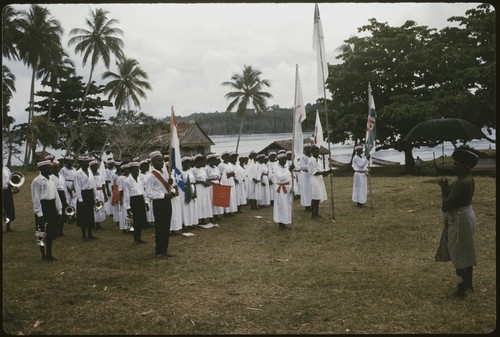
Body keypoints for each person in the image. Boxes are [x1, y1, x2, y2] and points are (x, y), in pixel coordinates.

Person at [436, 148, 479, 299]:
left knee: (459, 254)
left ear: (464, 166)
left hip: (460, 220)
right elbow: (454, 197)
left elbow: (446, 206)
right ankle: (468, 285)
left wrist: (442, 188)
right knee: (466, 251)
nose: (453, 166)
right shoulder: (465, 178)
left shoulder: (462, 183)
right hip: (465, 216)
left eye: (456, 164)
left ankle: (461, 290)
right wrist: (447, 186)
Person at [146, 151, 176, 258]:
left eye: (162, 160)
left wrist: (171, 186)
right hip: (159, 202)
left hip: (167, 201)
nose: (161, 162)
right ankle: (159, 251)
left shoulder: (165, 173)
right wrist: (163, 195)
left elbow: (167, 188)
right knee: (160, 226)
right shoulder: (151, 176)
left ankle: (165, 249)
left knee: (166, 225)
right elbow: (149, 193)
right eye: (158, 160)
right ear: (152, 163)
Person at [31, 160, 63, 261]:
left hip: (52, 206)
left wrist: (59, 210)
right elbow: (35, 198)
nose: (51, 170)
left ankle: (49, 254)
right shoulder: (37, 181)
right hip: (43, 207)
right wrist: (39, 214)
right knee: (41, 232)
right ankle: (43, 255)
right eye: (48, 168)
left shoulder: (52, 180)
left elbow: (56, 195)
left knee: (50, 231)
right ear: (41, 169)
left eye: (51, 167)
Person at [123, 161, 148, 244]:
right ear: (130, 171)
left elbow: (143, 191)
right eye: (134, 171)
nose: (137, 172)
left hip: (140, 200)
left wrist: (146, 202)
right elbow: (126, 195)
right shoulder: (127, 181)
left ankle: (139, 237)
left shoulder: (140, 179)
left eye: (137, 170)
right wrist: (127, 207)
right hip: (133, 201)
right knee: (135, 221)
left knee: (140, 221)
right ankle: (135, 238)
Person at [74, 155, 97, 240]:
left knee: (90, 214)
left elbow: (93, 184)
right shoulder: (78, 174)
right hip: (83, 195)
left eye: (88, 162)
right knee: (83, 216)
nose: (87, 163)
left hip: (90, 194)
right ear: (80, 163)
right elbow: (77, 188)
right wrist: (80, 200)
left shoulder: (90, 171)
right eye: (85, 162)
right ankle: (84, 235)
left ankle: (90, 234)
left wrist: (95, 196)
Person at [308, 145, 333, 218]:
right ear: (312, 152)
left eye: (318, 151)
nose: (317, 152)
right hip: (314, 179)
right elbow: (314, 172)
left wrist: (327, 172)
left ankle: (317, 213)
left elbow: (321, 170)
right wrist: (326, 172)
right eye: (315, 151)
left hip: (319, 179)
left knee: (318, 196)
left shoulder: (319, 160)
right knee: (314, 196)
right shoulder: (311, 160)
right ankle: (313, 214)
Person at [273, 153, 295, 230]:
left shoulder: (285, 167)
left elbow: (289, 178)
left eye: (285, 159)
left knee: (286, 205)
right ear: (279, 160)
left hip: (287, 188)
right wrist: (289, 170)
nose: (284, 160)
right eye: (283, 159)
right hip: (281, 189)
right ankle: (280, 224)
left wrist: (291, 188)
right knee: (281, 206)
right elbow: (281, 177)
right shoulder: (276, 168)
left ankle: (285, 222)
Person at [50, 160, 68, 236]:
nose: (56, 169)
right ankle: (55, 230)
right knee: (56, 214)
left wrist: (66, 198)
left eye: (57, 168)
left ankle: (61, 231)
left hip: (62, 194)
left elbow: (64, 188)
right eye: (54, 168)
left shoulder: (61, 177)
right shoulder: (51, 177)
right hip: (55, 195)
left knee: (63, 213)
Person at [90, 159, 107, 230]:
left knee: (100, 207)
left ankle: (98, 223)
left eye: (97, 165)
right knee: (94, 208)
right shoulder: (90, 175)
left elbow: (103, 184)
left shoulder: (100, 174)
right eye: (94, 166)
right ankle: (93, 223)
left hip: (100, 192)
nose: (96, 167)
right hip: (94, 192)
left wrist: (105, 195)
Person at [2, 164, 16, 232]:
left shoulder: (6, 168)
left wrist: (14, 186)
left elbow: (11, 178)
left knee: (9, 209)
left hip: (7, 191)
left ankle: (8, 227)